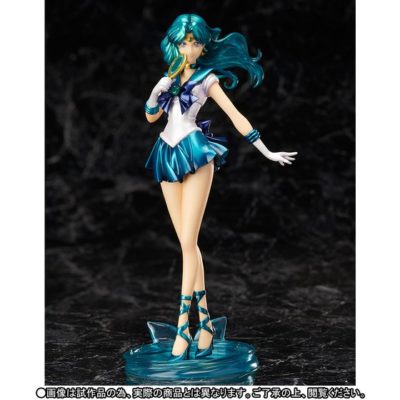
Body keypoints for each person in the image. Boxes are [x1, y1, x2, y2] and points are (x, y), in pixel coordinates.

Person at [143, 14, 297, 361]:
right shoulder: (169, 78)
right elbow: (152, 117)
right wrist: (156, 92)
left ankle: (183, 326)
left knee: (188, 243)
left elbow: (235, 115)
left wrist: (266, 150)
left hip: (196, 153)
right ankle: (206, 323)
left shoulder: (207, 78)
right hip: (166, 152)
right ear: (175, 44)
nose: (190, 48)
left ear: (203, 46)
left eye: (196, 43)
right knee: (187, 244)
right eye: (184, 42)